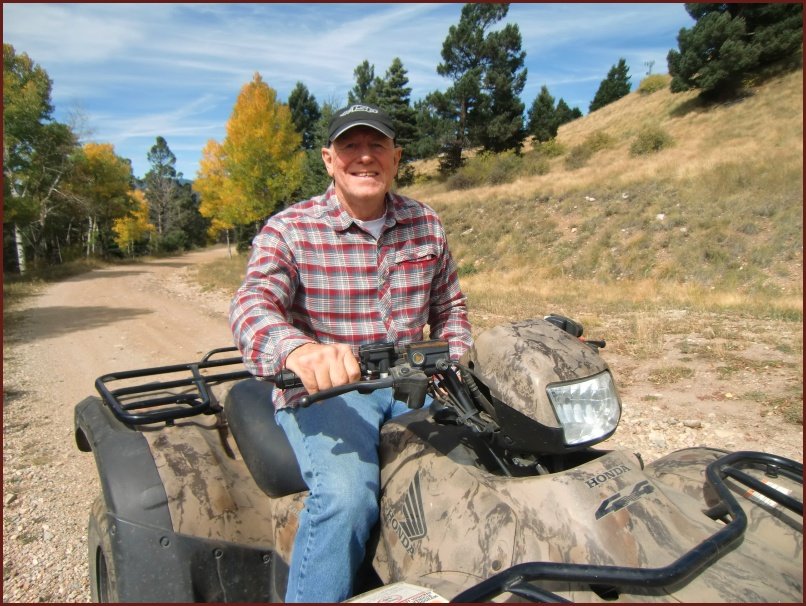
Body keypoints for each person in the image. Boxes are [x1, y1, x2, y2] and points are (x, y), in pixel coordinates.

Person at [229, 103, 473, 603]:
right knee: (346, 497)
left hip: (416, 386)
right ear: (328, 159)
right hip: (330, 393)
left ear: (396, 157)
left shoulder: (425, 222)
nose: (365, 157)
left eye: (377, 145)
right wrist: (299, 350)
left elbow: (450, 307)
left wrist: (457, 360)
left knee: (487, 467)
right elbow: (252, 304)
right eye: (350, 146)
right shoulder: (290, 229)